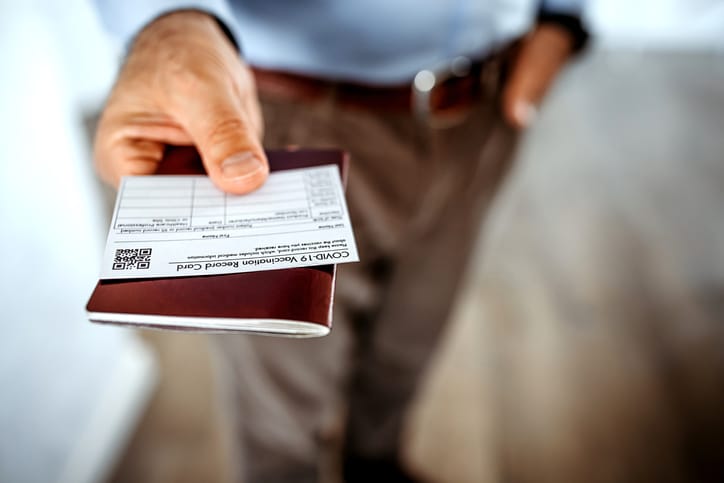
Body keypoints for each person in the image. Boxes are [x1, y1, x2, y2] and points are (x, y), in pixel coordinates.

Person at [93, 1, 587, 482]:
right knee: (282, 411)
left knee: (409, 345)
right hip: (289, 120)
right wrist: (165, 22)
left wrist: (562, 18)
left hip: (484, 109)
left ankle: (376, 466)